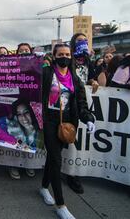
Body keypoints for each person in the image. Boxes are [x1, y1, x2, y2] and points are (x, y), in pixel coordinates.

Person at [39, 43, 95, 219]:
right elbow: (29, 82)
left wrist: (88, 118)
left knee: (53, 158)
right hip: (49, 120)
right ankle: (60, 204)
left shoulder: (75, 78)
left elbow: (81, 103)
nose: (64, 56)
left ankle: (43, 187)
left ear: (70, 57)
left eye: (67, 54)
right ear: (54, 56)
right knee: (56, 159)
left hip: (67, 123)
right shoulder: (46, 73)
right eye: (60, 54)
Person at [66, 33, 98, 193]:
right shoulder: (68, 58)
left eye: (85, 40)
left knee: (78, 140)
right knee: (67, 136)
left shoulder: (88, 60)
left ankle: (73, 173)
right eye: (79, 40)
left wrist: (93, 81)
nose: (83, 42)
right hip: (68, 102)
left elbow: (92, 77)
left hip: (82, 102)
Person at [8, 42, 36, 180]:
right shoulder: (11, 66)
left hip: (30, 106)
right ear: (17, 53)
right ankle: (14, 164)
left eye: (27, 50)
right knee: (17, 137)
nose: (24, 52)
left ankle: (29, 164)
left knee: (31, 136)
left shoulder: (36, 67)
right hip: (15, 105)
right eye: (21, 50)